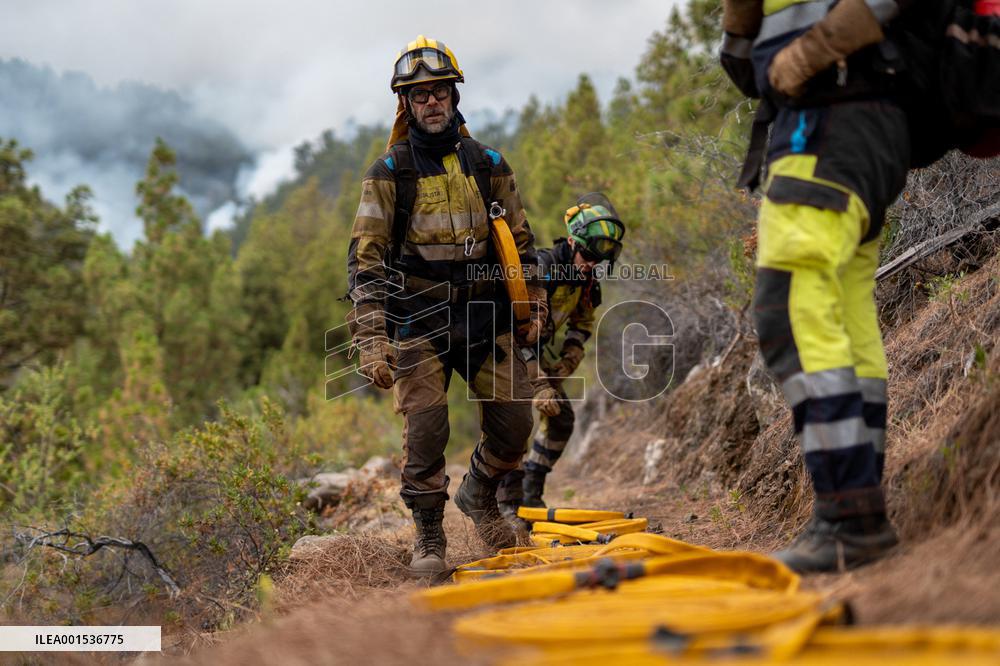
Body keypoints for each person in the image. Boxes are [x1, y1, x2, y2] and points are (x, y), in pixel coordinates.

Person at [720, 0, 913, 573]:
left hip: (829, 125)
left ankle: (848, 515)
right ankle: (858, 507)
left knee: (791, 308)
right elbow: (747, 71)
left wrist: (807, 55)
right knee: (845, 318)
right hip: (855, 129)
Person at [346, 36, 546, 577]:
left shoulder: (489, 163)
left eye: (439, 92)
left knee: (514, 428)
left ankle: (479, 493)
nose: (431, 102)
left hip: (487, 319)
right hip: (418, 322)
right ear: (405, 105)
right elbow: (365, 261)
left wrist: (535, 307)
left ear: (454, 97)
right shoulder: (389, 172)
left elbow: (521, 244)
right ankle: (430, 535)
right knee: (427, 429)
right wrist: (370, 338)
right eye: (419, 96)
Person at [497, 193, 625, 513]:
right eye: (588, 257)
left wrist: (569, 357)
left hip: (535, 354)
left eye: (599, 261)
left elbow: (583, 321)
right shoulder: (541, 269)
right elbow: (511, 330)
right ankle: (505, 505)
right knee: (515, 424)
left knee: (561, 418)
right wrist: (538, 383)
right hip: (503, 353)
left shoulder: (586, 281)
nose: (592, 266)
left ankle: (530, 489)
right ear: (571, 242)